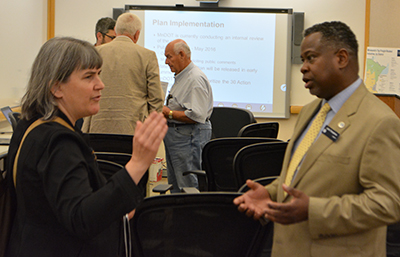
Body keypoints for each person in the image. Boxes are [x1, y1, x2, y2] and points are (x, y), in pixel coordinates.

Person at [234, 21, 400, 257]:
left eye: (310, 58)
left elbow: (388, 203)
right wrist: (271, 193)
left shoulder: (380, 122)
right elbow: (299, 179)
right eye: (302, 59)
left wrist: (314, 210)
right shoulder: (309, 112)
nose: (303, 67)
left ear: (341, 58)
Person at [5, 37, 167, 257]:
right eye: (89, 76)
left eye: (99, 74)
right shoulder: (57, 142)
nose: (100, 84)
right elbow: (82, 219)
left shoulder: (31, 126)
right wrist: (137, 164)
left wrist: (117, 205)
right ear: (56, 87)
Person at [82, 13, 164, 135]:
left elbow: (85, 89)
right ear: (137, 34)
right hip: (134, 129)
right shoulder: (148, 56)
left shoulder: (96, 52)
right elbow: (156, 98)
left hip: (97, 126)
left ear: (116, 30)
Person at [162, 39, 213, 193]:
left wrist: (168, 113)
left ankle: (190, 217)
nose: (166, 62)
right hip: (178, 137)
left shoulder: (194, 78)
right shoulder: (183, 76)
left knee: (188, 186)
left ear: (182, 54)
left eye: (169, 57)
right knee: (176, 186)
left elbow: (196, 115)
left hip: (187, 137)